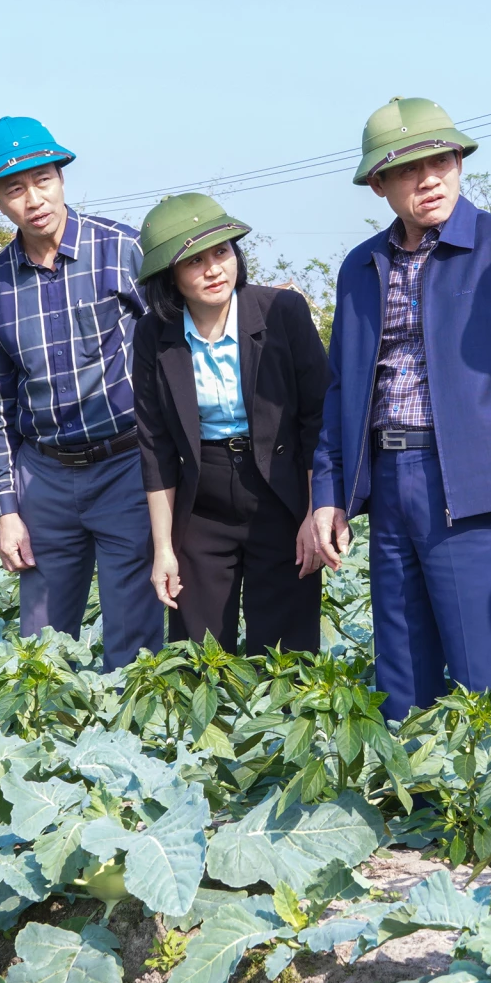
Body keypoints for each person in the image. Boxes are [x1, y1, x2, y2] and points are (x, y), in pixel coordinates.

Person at [309, 97, 491, 721]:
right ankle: (424, 813)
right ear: (379, 183)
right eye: (408, 169)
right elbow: (343, 389)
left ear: (460, 163)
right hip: (387, 482)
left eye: (441, 159)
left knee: (483, 683)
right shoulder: (362, 267)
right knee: (401, 675)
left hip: (471, 485)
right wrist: (328, 492)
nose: (429, 177)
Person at [0, 116, 162, 671]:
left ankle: (131, 751)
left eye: (44, 180)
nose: (34, 199)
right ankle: (49, 754)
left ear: (61, 178)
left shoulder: (122, 250)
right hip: (45, 479)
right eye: (15, 189)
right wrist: (7, 508)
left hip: (126, 467)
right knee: (42, 650)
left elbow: (175, 354)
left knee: (134, 640)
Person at [131, 192, 329, 654]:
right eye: (194, 261)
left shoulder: (284, 313)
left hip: (281, 491)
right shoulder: (152, 335)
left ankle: (278, 727)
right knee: (200, 654)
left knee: (284, 655)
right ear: (170, 277)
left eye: (221, 252)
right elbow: (155, 446)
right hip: (202, 498)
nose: (214, 269)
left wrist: (312, 512)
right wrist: (163, 548)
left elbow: (316, 420)